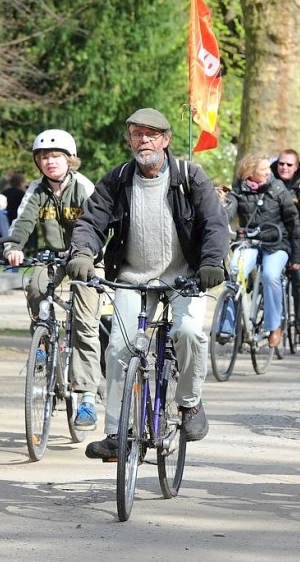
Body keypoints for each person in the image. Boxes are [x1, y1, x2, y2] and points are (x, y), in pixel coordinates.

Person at [67, 108, 229, 459]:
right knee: (119, 350)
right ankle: (116, 432)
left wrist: (212, 263)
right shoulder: (119, 178)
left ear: (166, 140)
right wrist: (82, 253)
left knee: (187, 333)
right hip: (131, 278)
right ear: (129, 140)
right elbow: (91, 221)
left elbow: (214, 224)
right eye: (137, 134)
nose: (144, 141)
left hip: (184, 277)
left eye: (151, 134)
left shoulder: (190, 176)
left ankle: (189, 403)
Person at [4, 130, 102, 430]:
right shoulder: (36, 190)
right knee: (34, 284)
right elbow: (23, 222)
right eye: (44, 157)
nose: (50, 162)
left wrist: (88, 255)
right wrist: (13, 247)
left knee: (85, 324)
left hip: (85, 256)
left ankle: (86, 396)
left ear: (69, 159)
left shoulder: (83, 186)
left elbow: (99, 223)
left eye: (56, 156)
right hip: (51, 255)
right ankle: (43, 338)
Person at [226, 152, 300, 348]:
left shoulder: (278, 189)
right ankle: (226, 326)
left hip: (277, 242)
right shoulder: (239, 190)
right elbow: (228, 211)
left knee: (270, 275)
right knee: (236, 271)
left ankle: (274, 325)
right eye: (263, 170)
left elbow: (293, 222)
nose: (269, 172)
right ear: (250, 173)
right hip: (250, 241)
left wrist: (297, 254)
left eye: (268, 168)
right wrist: (221, 210)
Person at [271, 149, 300, 345]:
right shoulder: (268, 176)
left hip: (299, 233)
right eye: (281, 163)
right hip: (274, 233)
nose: (284, 168)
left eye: (289, 164)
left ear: (296, 166)